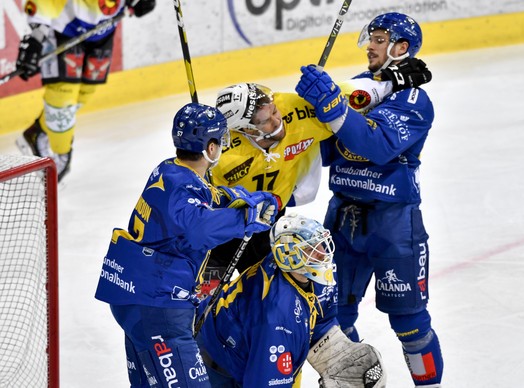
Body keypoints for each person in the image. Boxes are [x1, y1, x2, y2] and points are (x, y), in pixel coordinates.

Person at [295, 12, 444, 387]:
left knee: (410, 324)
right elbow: (327, 151)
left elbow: (376, 145)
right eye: (371, 38)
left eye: (379, 39)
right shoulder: (357, 86)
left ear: (401, 47)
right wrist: (308, 114)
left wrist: (333, 109)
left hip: (394, 224)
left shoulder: (415, 100)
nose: (370, 45)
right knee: (333, 319)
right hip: (342, 217)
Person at [202, 60, 431, 297]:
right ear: (245, 130)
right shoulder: (220, 153)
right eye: (265, 120)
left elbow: (352, 93)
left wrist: (394, 79)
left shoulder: (296, 110)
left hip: (270, 219)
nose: (277, 119)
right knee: (204, 296)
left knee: (270, 293)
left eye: (273, 109)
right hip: (226, 225)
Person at [94, 102, 278, 387]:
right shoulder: (183, 188)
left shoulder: (168, 169)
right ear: (211, 148)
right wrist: (244, 217)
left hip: (132, 294)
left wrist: (235, 197)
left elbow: (202, 197)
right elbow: (198, 230)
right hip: (159, 305)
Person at [195, 213, 387, 387]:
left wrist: (336, 352)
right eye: (312, 248)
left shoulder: (315, 271)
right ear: (289, 256)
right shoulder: (276, 316)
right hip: (216, 370)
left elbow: (321, 317)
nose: (323, 253)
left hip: (242, 349)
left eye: (321, 244)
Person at [14, 0, 156, 182]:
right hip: (63, 27)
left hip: (103, 30)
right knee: (63, 96)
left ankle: (37, 132)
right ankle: (59, 157)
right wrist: (36, 36)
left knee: (86, 91)